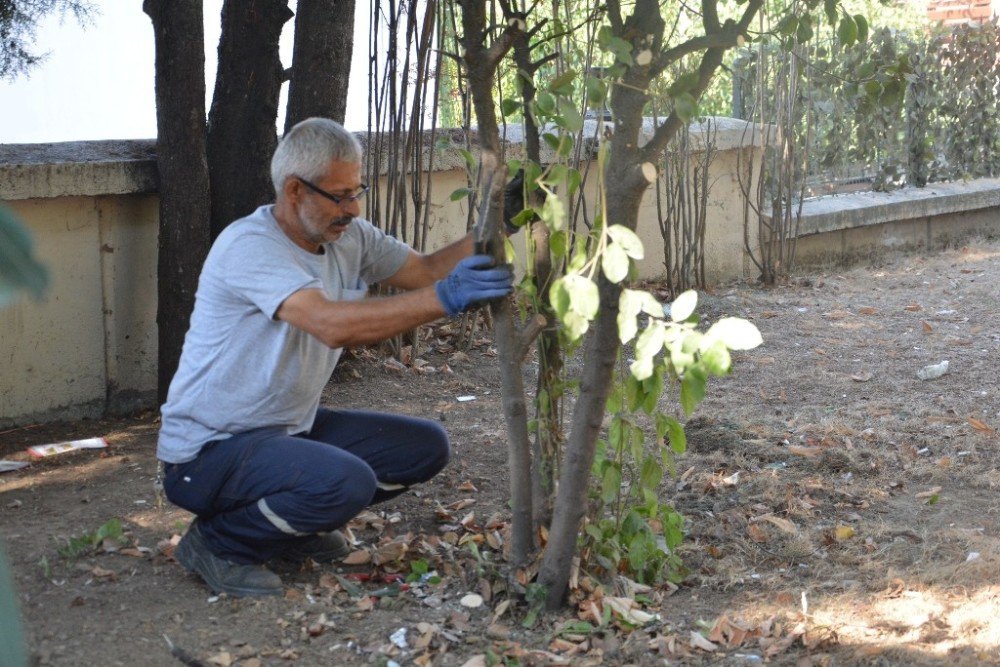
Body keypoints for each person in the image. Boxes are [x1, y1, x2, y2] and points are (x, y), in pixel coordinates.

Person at [157, 117, 514, 597]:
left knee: (423, 447)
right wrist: (445, 298)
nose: (354, 208)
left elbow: (426, 269)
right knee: (344, 482)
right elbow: (331, 325)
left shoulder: (349, 236)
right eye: (340, 195)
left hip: (285, 431)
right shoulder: (249, 246)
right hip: (207, 454)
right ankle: (219, 543)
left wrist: (503, 222)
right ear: (294, 191)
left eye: (357, 190)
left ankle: (291, 527)